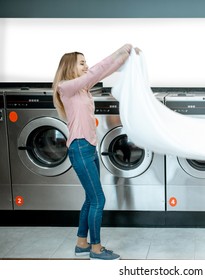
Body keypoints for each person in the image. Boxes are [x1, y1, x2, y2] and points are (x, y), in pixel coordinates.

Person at [52, 44, 139, 260]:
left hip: (89, 147)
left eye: (85, 62)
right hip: (79, 148)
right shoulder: (66, 87)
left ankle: (82, 243)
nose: (86, 66)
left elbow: (103, 71)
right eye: (82, 62)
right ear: (70, 66)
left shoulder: (82, 88)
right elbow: (97, 70)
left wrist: (126, 58)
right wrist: (118, 51)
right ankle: (96, 248)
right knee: (98, 199)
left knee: (91, 199)